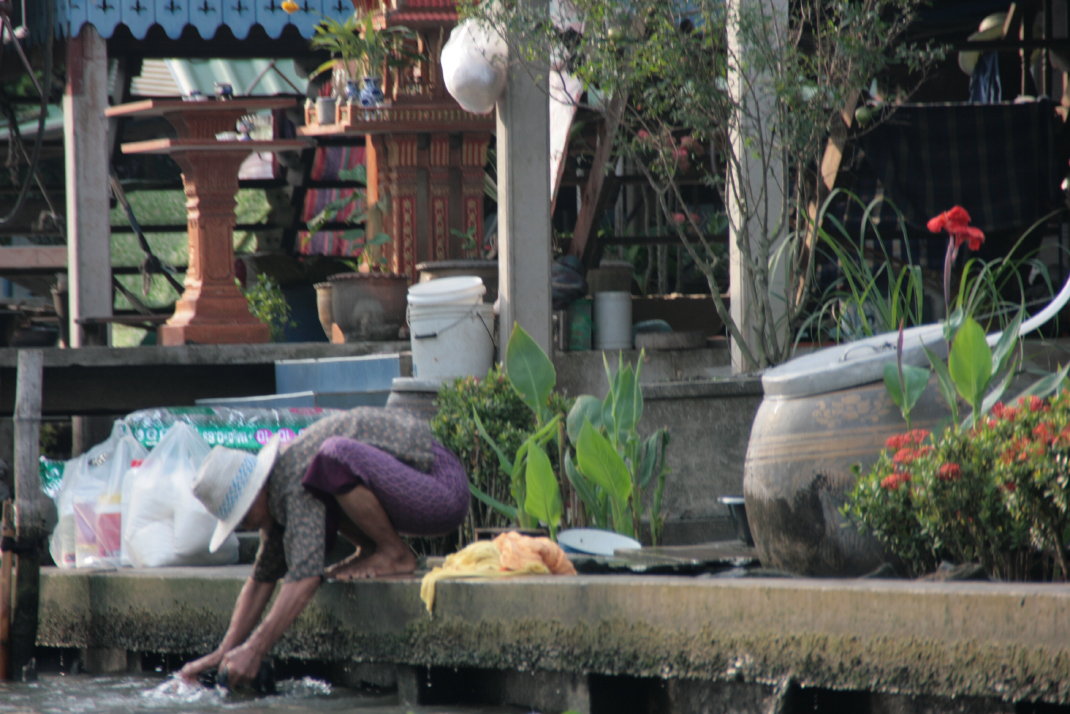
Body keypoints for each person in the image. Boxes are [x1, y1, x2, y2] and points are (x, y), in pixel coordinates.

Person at [177, 406, 469, 688]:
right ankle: (372, 550)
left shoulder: (291, 479)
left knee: (331, 460)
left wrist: (254, 650)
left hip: (442, 487)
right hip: (418, 488)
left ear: (257, 491)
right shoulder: (278, 496)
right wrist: (224, 652)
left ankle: (394, 554)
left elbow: (305, 579)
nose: (247, 528)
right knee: (324, 473)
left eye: (244, 517)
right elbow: (261, 579)